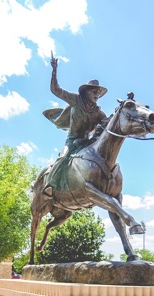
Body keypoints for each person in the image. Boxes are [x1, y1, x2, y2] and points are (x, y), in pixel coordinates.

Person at [42, 52, 108, 196]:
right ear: (86, 92)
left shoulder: (99, 112)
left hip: (87, 143)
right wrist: (54, 70)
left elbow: (108, 125)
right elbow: (56, 90)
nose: (97, 95)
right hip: (72, 141)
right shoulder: (76, 100)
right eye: (94, 92)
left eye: (98, 93)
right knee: (63, 157)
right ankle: (50, 185)